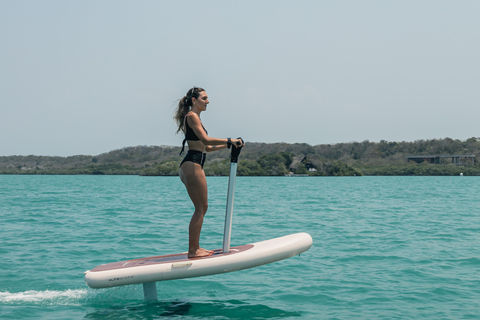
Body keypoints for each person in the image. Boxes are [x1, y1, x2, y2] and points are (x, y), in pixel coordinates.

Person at [174, 87, 244, 258]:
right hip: (192, 164)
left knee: (202, 207)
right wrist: (230, 139)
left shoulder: (195, 118)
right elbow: (205, 140)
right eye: (204, 98)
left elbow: (208, 147)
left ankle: (195, 248)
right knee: (200, 208)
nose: (208, 101)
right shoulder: (191, 117)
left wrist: (229, 145)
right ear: (194, 101)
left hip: (194, 163)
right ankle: (193, 250)